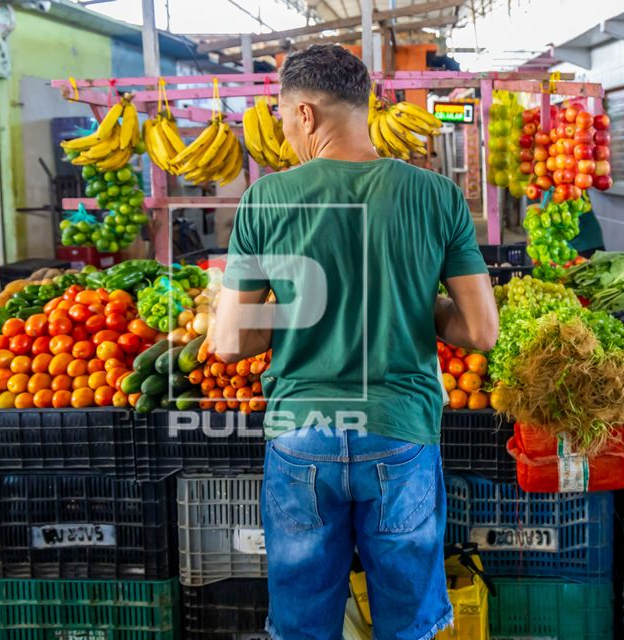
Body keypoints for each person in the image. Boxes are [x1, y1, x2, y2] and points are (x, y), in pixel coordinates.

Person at [210, 44, 498, 640]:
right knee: (408, 622)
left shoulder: (266, 199)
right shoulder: (436, 195)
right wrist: (414, 303)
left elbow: (230, 343)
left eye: (284, 117)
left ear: (307, 114)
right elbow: (480, 330)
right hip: (399, 432)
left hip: (302, 436)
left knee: (304, 623)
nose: (284, 131)